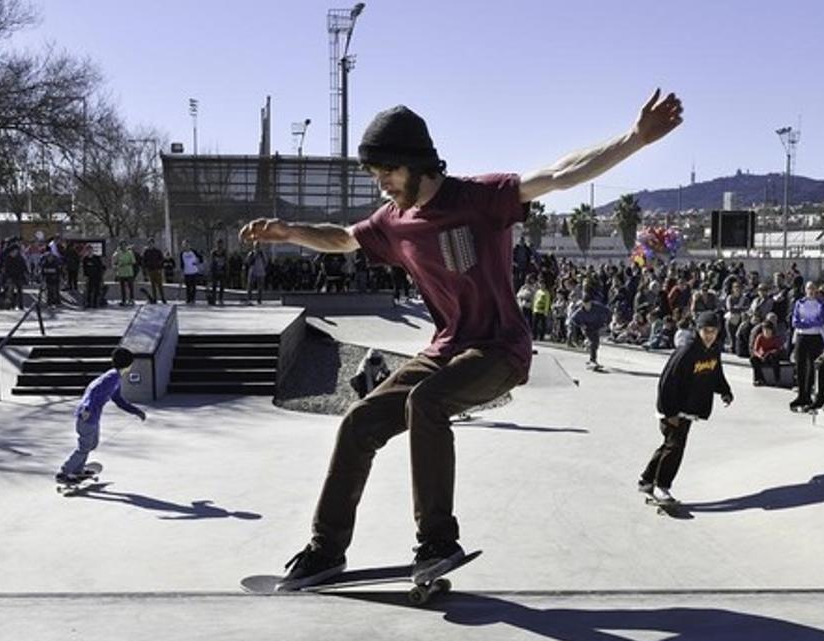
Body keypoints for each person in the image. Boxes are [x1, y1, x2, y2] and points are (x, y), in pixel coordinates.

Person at [239, 90, 684, 590]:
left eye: (388, 172)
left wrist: (634, 138)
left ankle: (437, 541)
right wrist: (288, 231)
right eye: (374, 175)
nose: (381, 184)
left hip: (500, 350)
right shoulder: (393, 220)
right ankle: (326, 551)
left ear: (416, 164)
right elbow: (343, 237)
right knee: (359, 421)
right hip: (446, 348)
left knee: (426, 404)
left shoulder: (479, 198)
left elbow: (559, 175)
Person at [639, 311, 733, 505]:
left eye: (713, 331)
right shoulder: (687, 351)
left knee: (670, 444)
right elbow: (666, 382)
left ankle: (647, 479)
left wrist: (725, 391)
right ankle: (661, 487)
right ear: (698, 330)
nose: (709, 335)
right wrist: (670, 413)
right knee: (675, 447)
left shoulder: (713, 350)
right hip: (673, 407)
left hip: (689, 408)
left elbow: (715, 373)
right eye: (705, 331)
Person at [56, 347, 146, 482]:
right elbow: (92, 392)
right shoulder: (111, 377)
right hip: (87, 416)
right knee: (84, 446)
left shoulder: (115, 378)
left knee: (92, 444)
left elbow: (119, 400)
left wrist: (136, 411)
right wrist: (86, 409)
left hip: (92, 417)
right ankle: (64, 473)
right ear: (128, 364)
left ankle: (77, 470)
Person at [788, 281, 824, 412]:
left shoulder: (821, 304)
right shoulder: (799, 303)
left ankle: (810, 393)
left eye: (813, 288)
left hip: (816, 337)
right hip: (802, 336)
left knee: (812, 366)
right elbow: (795, 321)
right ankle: (802, 395)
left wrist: (807, 322)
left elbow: (822, 320)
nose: (811, 291)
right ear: (805, 290)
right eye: (809, 288)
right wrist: (810, 323)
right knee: (800, 365)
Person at [569, 281, 611, 369]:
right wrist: (581, 325)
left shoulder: (597, 306)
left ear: (591, 302)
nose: (587, 307)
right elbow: (573, 319)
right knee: (593, 342)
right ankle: (592, 359)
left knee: (596, 343)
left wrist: (606, 323)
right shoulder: (580, 311)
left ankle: (591, 355)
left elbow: (608, 311)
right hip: (587, 327)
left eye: (589, 304)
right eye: (585, 305)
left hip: (596, 326)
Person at [749, 320, 785, 386]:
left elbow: (779, 349)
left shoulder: (775, 338)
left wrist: (770, 352)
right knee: (753, 359)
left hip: (771, 357)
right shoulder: (760, 337)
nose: (766, 332)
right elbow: (755, 350)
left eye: (768, 330)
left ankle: (777, 379)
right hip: (762, 356)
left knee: (774, 357)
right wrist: (760, 356)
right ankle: (758, 379)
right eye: (764, 330)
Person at [111, 241, 137, 306]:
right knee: (122, 287)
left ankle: (131, 299)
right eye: (122, 245)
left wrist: (126, 263)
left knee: (130, 287)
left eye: (124, 245)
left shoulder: (130, 253)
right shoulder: (118, 253)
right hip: (121, 273)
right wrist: (117, 265)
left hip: (129, 272)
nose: (123, 247)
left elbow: (133, 261)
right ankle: (123, 300)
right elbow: (114, 261)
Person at [142, 238, 167, 304]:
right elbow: (144, 261)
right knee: (153, 286)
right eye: (149, 243)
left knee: (160, 285)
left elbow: (162, 260)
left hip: (157, 270)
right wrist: (146, 269)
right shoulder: (146, 252)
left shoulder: (158, 251)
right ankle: (155, 298)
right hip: (150, 270)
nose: (151, 245)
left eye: (152, 243)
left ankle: (163, 298)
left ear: (154, 243)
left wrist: (160, 268)